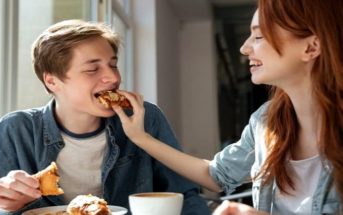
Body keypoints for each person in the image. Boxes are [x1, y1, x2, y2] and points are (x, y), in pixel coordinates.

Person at [111, 0, 343, 214]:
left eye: (259, 37)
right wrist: (141, 138)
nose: (244, 48)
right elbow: (215, 175)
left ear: (311, 48)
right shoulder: (266, 121)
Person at [0, 20, 210, 215]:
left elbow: (185, 196)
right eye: (92, 69)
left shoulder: (145, 118)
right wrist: (8, 204)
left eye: (113, 65)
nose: (114, 78)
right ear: (52, 82)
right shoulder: (15, 130)